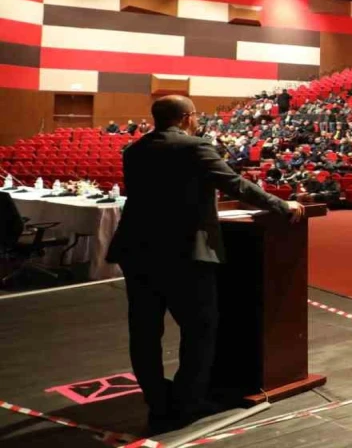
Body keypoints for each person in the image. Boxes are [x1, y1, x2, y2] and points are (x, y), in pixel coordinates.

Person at [107, 96, 304, 429]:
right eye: (195, 116)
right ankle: (187, 403)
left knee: (144, 331)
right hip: (183, 252)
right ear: (186, 117)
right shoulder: (194, 146)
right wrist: (282, 206)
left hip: (136, 250)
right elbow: (235, 184)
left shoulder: (134, 150)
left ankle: (158, 402)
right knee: (200, 328)